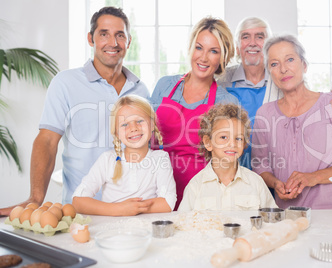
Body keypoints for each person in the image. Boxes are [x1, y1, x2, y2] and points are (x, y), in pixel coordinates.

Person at [0, 6, 149, 216]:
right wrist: (35, 198)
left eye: (120, 35)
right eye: (104, 34)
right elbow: (47, 141)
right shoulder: (65, 83)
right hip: (81, 210)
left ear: (129, 41)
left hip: (131, 209)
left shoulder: (141, 90)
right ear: (91, 38)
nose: (113, 43)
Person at [216, 17, 332, 169]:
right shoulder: (221, 82)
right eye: (245, 37)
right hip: (232, 168)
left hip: (277, 171)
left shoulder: (285, 79)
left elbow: (310, 100)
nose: (253, 42)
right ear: (237, 46)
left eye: (260, 37)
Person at [251, 34, 332, 209]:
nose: (283, 69)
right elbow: (260, 167)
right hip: (286, 214)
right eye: (274, 64)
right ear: (270, 73)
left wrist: (312, 177)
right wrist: (275, 183)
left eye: (290, 59)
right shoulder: (264, 114)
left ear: (304, 65)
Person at [150, 17, 239, 210]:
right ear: (191, 48)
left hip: (202, 197)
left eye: (213, 51)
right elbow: (145, 138)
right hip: (157, 192)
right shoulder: (164, 86)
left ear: (223, 58)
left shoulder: (226, 102)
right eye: (199, 47)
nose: (204, 57)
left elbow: (230, 159)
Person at [72, 95, 176, 216]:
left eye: (139, 121)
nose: (133, 128)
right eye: (125, 124)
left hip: (146, 231)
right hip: (112, 231)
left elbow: (168, 202)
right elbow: (78, 201)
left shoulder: (160, 158)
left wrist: (135, 208)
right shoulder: (107, 160)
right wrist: (119, 209)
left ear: (152, 124)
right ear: (117, 133)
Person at [178, 103, 276, 211]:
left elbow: (273, 222)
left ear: (244, 144)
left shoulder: (256, 183)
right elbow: (183, 224)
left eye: (238, 138)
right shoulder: (195, 186)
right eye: (223, 137)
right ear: (208, 142)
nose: (232, 144)